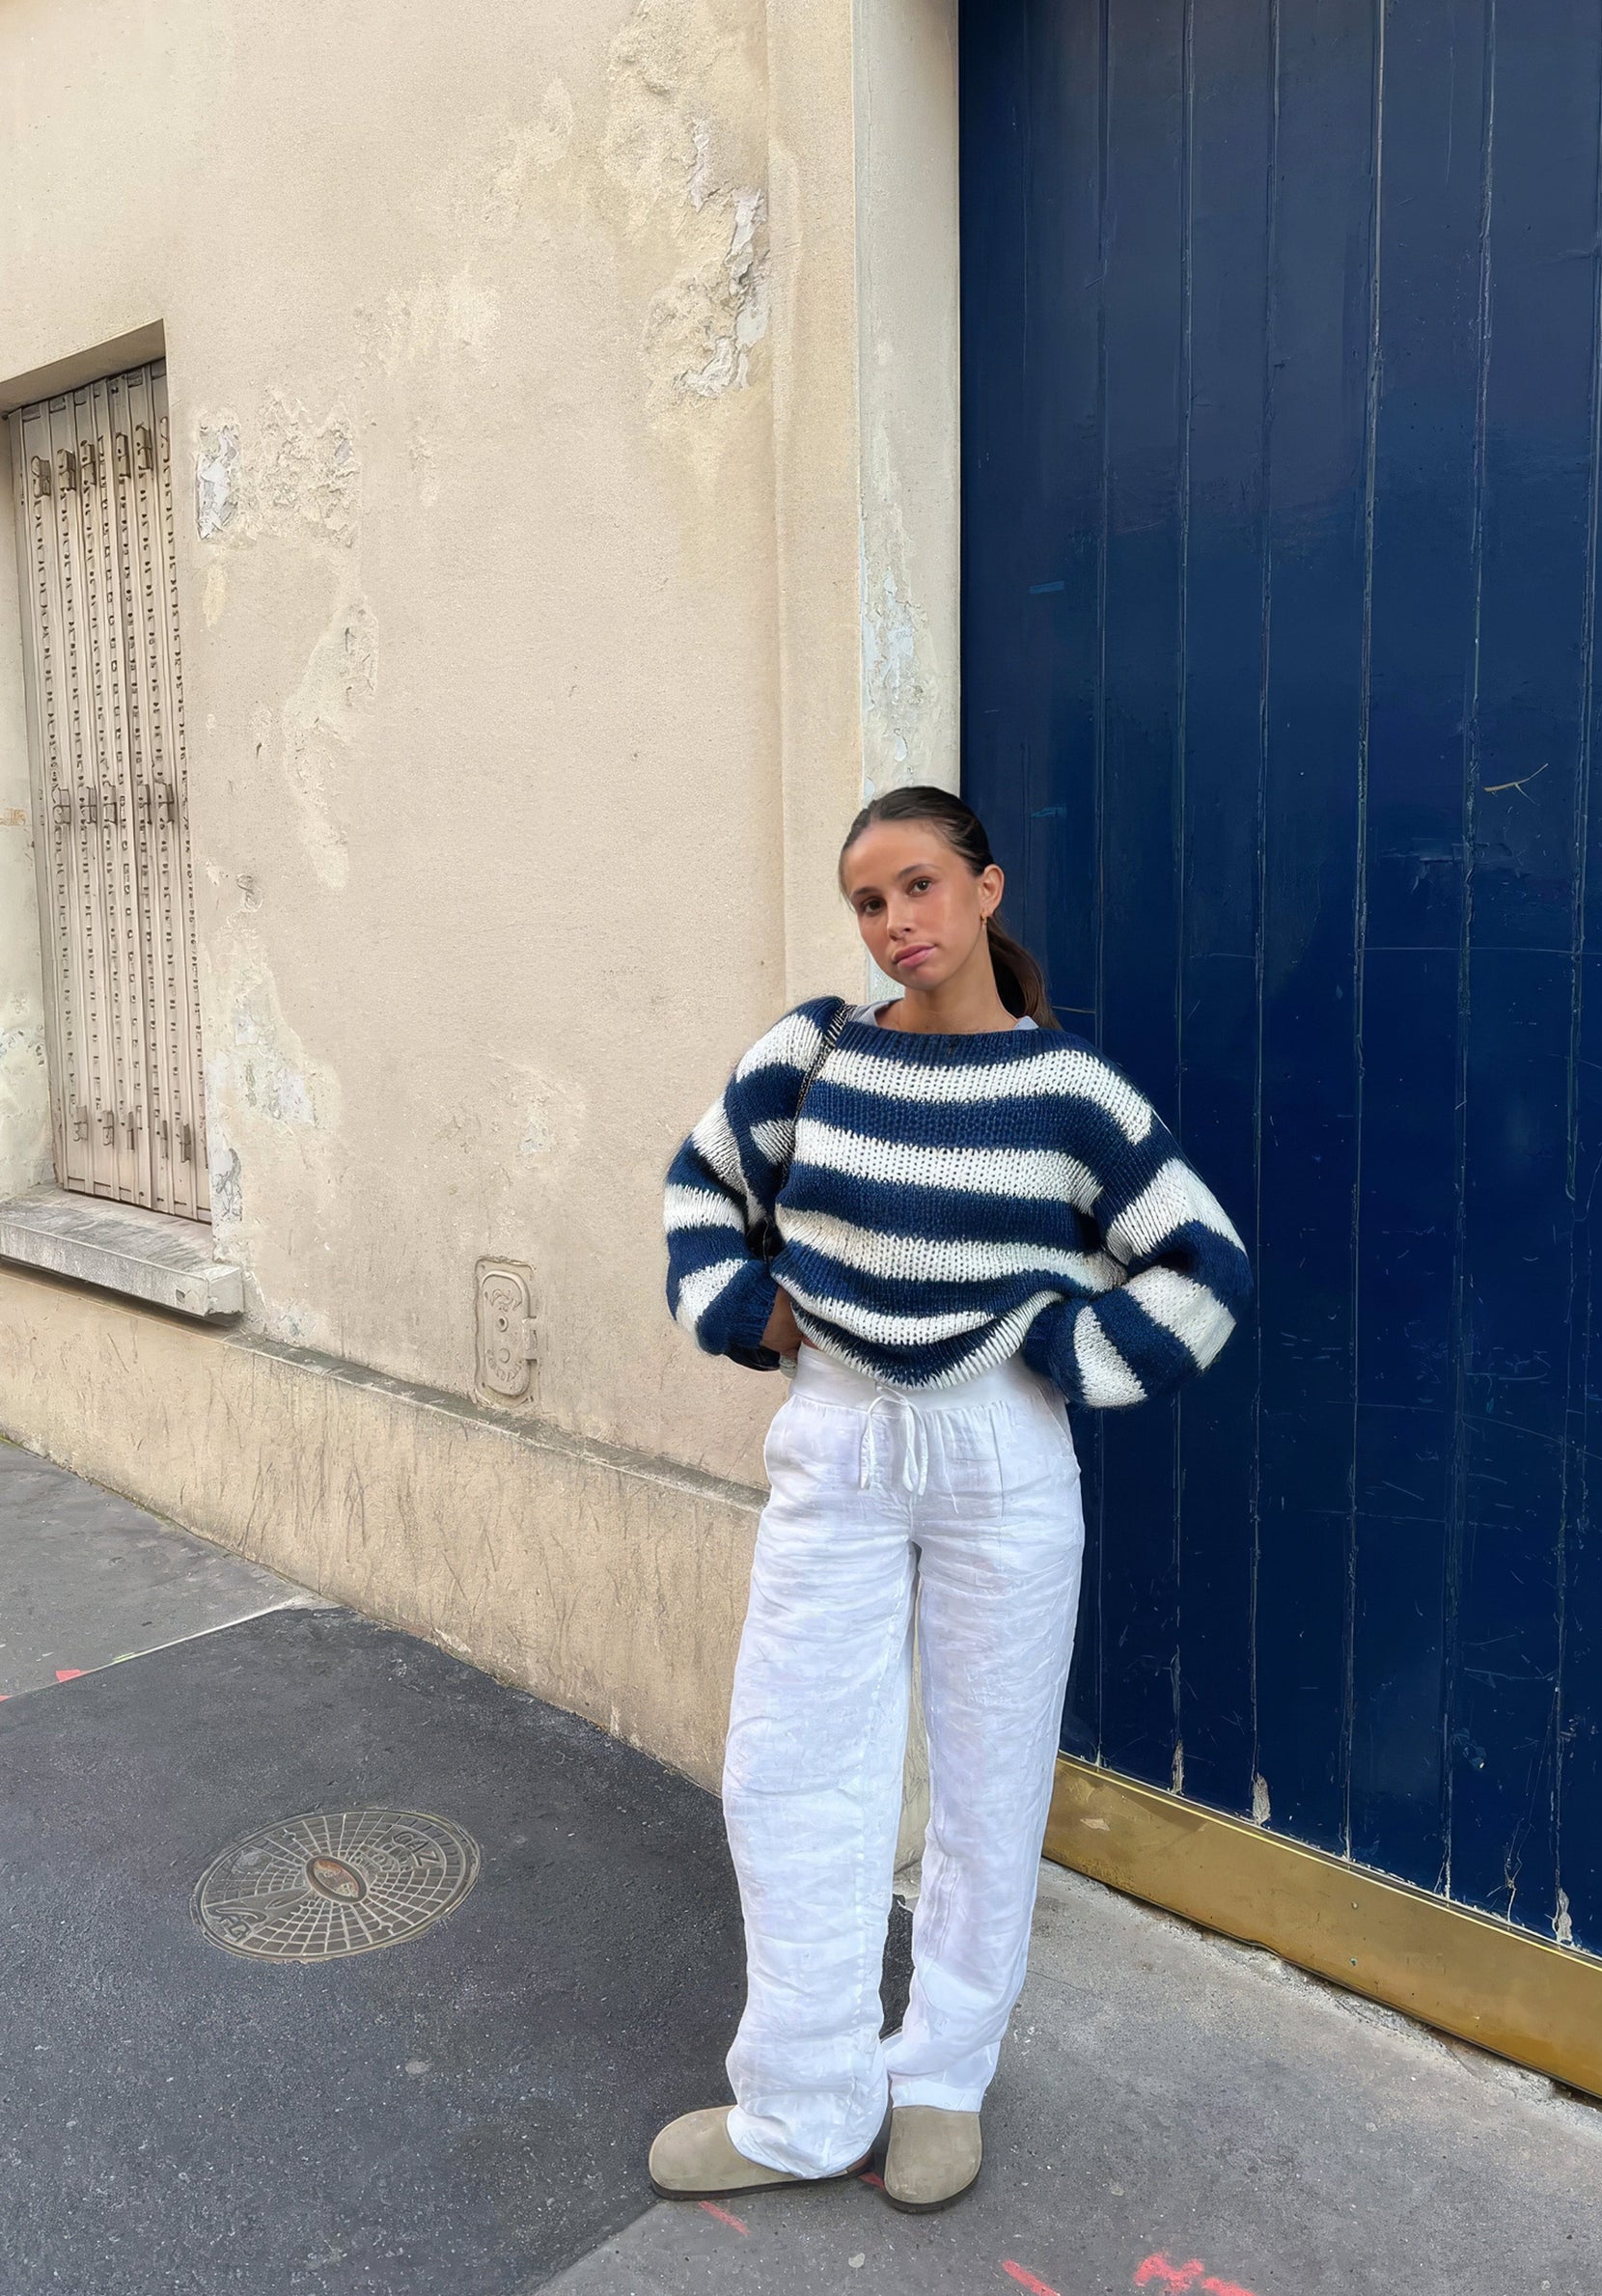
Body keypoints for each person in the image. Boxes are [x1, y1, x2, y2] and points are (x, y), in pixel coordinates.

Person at [653, 786, 1251, 2213]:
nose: (894, 922)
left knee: (990, 1781)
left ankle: (939, 2076)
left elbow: (1203, 1263)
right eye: (868, 901)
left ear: (985, 889)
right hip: (838, 1448)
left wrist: (1067, 1350)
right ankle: (800, 2103)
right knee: (789, 1768)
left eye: (919, 885)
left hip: (1003, 1459)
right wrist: (751, 1314)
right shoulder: (813, 1051)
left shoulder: (1071, 1091)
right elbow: (698, 1191)